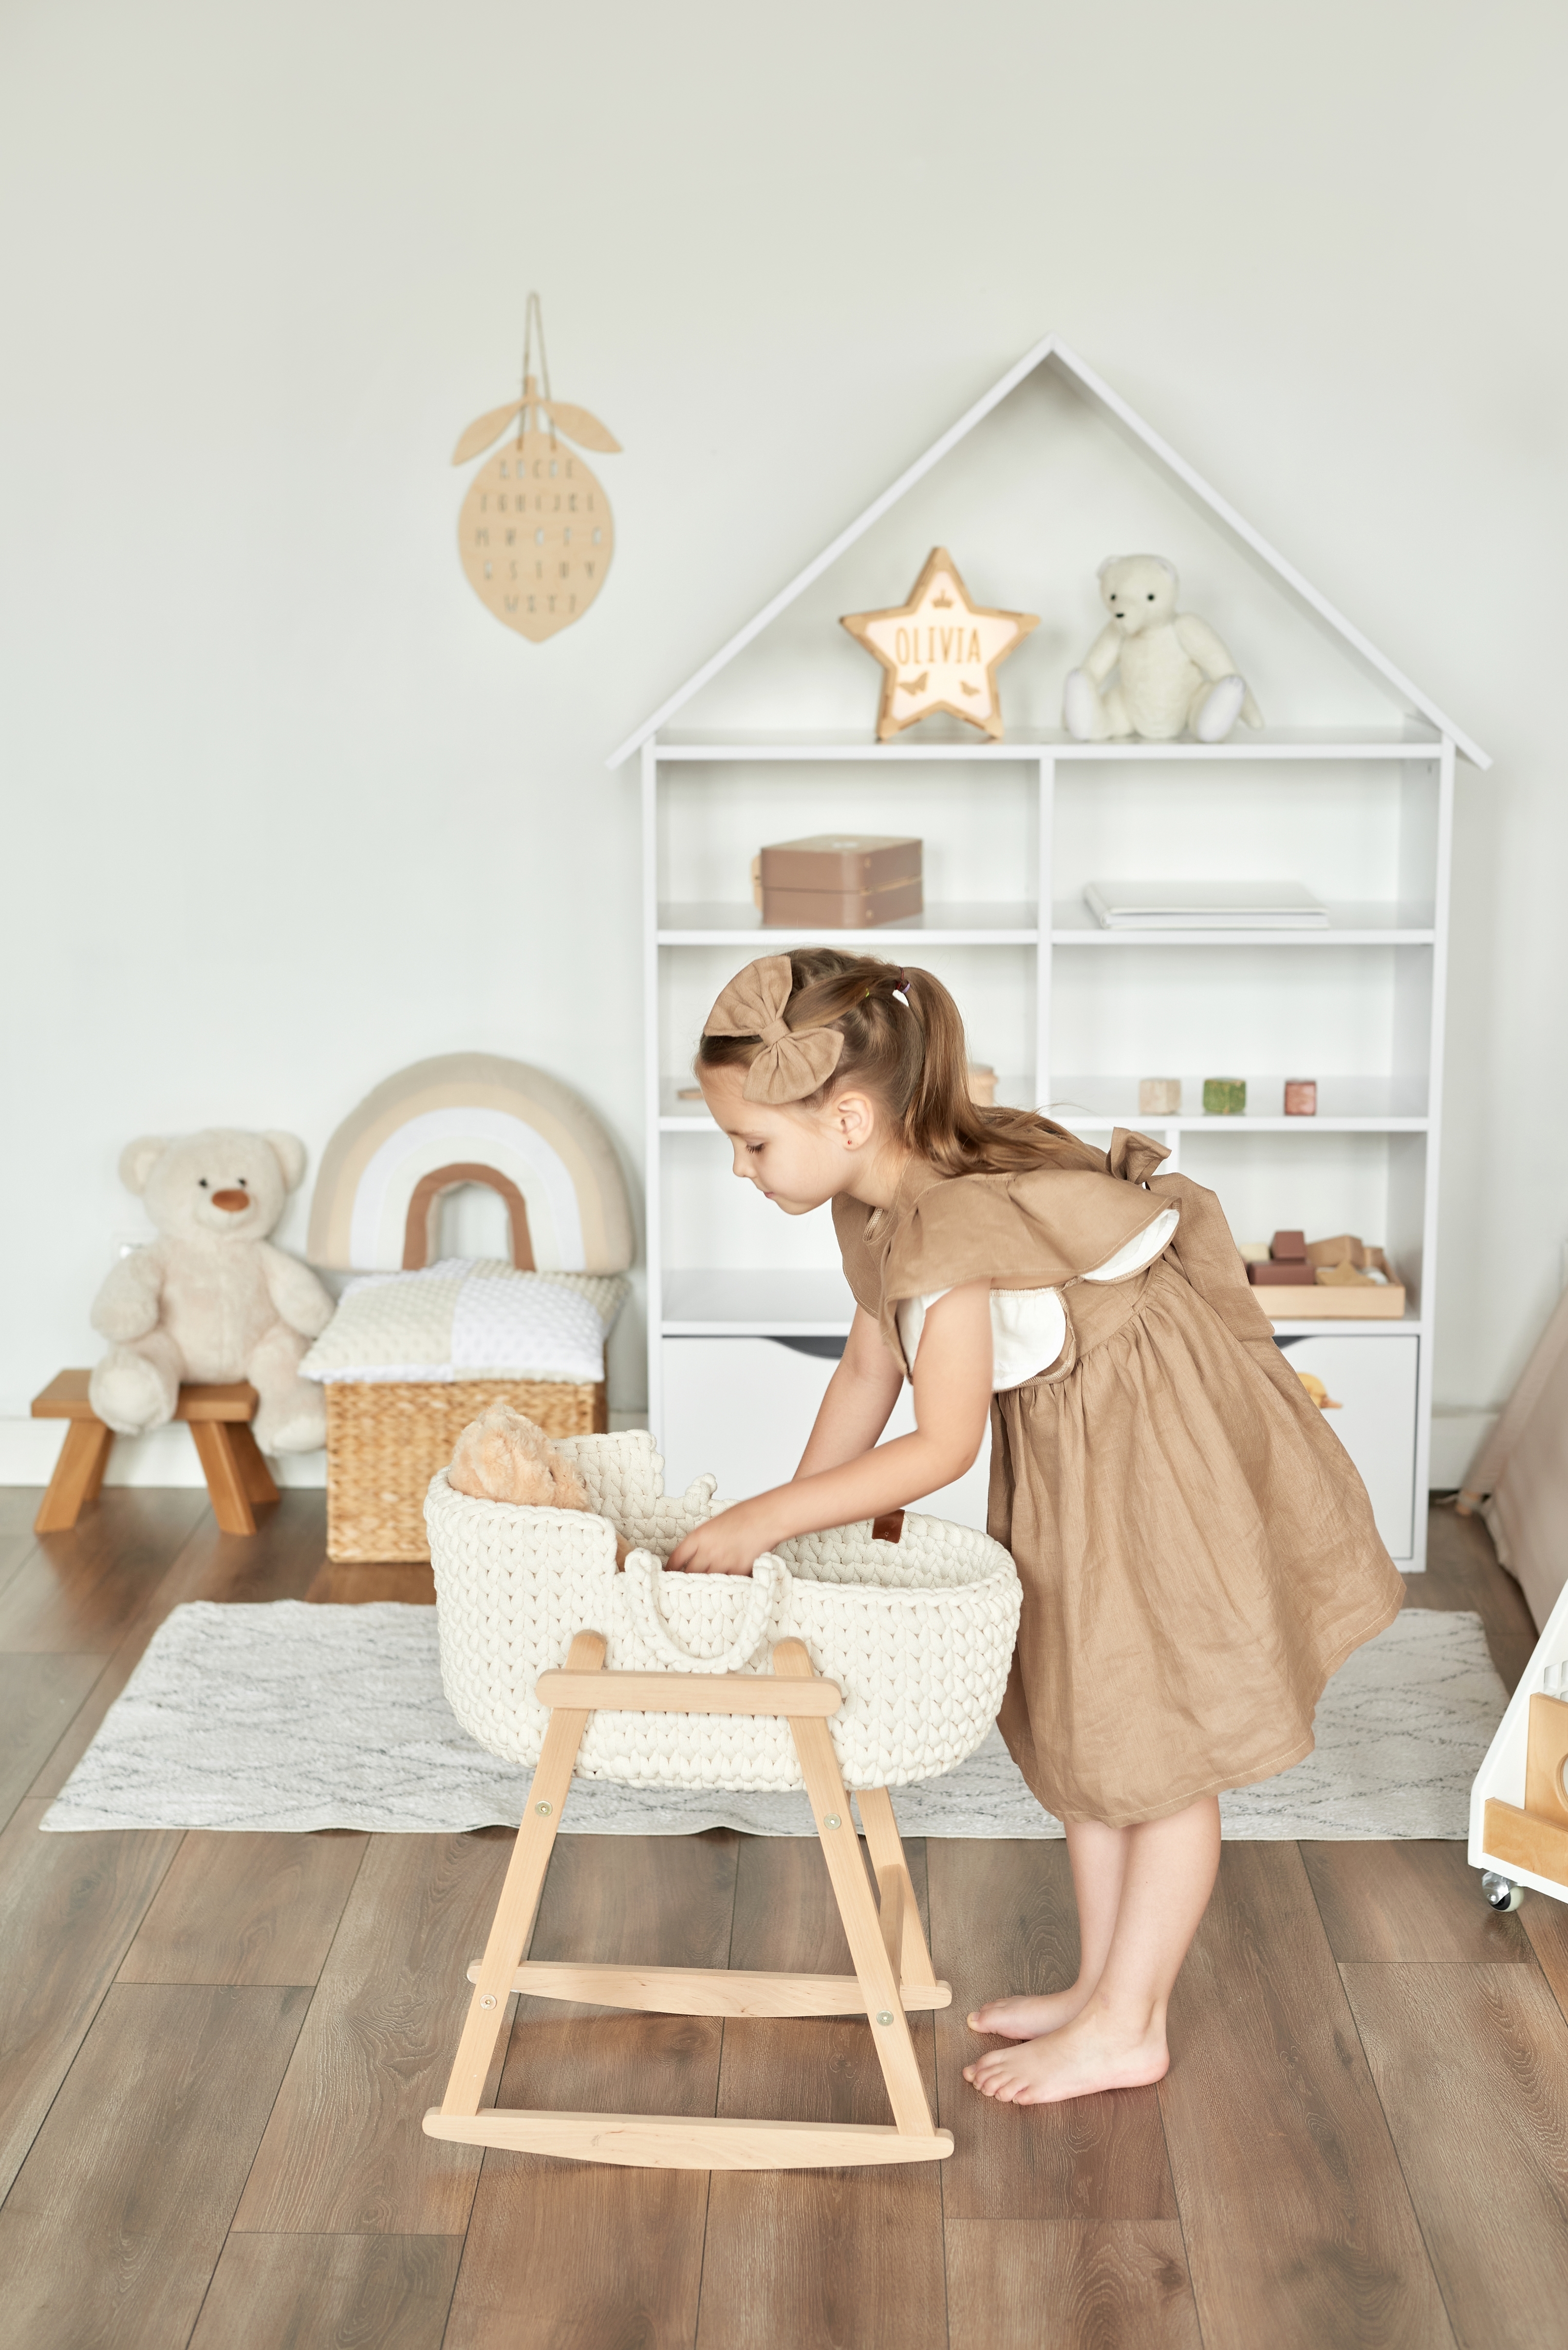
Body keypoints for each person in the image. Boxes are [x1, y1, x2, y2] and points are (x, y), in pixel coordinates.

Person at [668, 948, 1402, 2106]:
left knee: (1161, 1735)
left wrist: (766, 1518)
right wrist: (792, 1533)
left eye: (751, 1143)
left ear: (848, 1119)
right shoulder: (874, 1201)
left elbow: (940, 1444)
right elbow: (867, 1369)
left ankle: (1131, 2022)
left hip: (1149, 1452)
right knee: (1086, 1715)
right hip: (1076, 1452)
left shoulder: (952, 1231)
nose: (737, 1166)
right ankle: (1101, 1987)